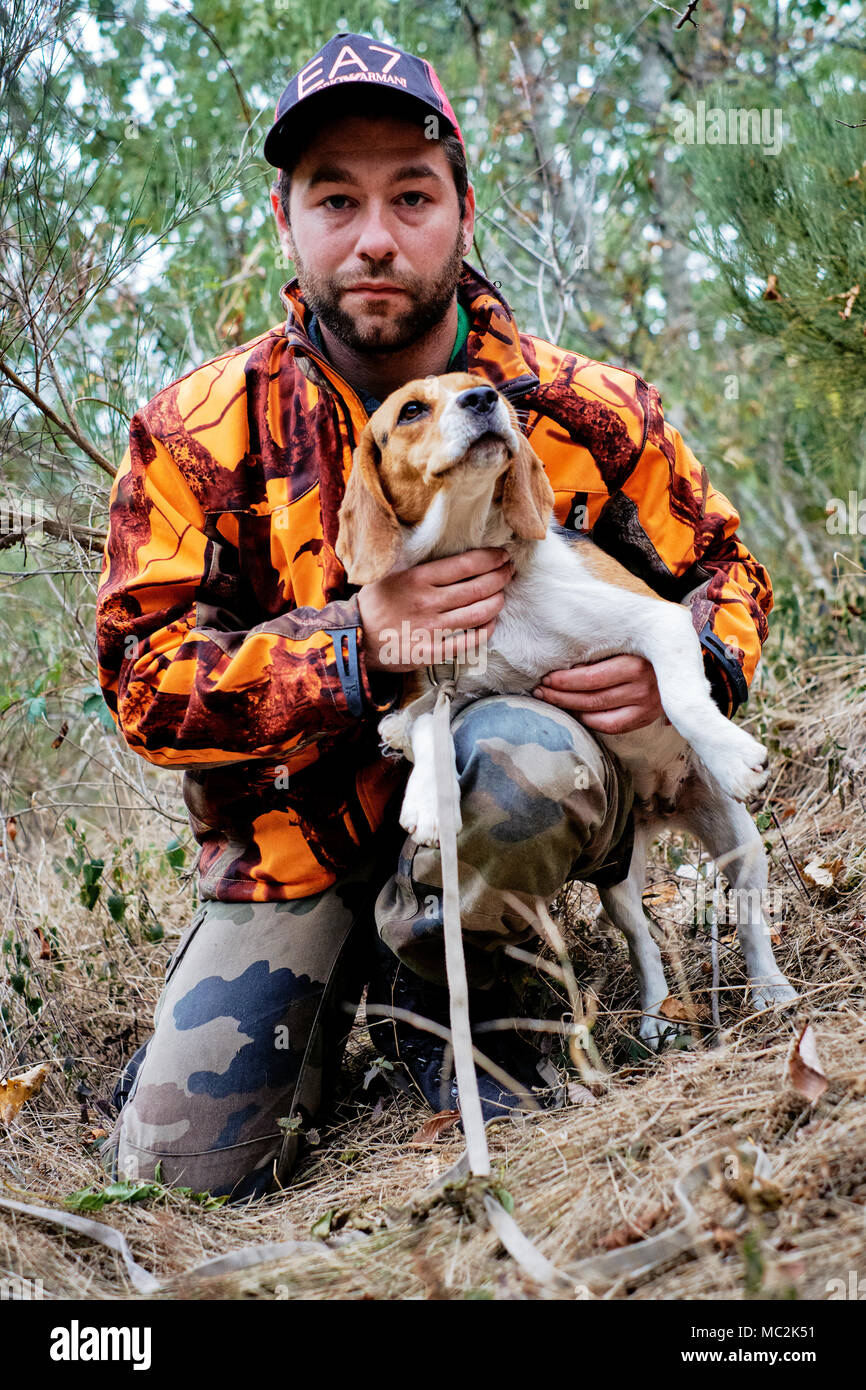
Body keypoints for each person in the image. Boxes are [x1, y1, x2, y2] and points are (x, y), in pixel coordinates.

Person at [95, 32, 772, 1202]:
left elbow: (725, 566)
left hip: (514, 791)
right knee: (179, 1173)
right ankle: (313, 994)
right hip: (294, 852)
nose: (373, 238)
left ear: (461, 210)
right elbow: (144, 682)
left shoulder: (583, 408)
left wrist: (691, 663)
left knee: (515, 753)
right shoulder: (191, 432)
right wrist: (357, 644)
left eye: (410, 196)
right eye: (334, 199)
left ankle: (470, 1017)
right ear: (284, 219)